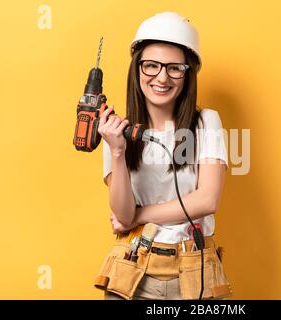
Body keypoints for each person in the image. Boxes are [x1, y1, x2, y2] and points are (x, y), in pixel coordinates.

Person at [93, 12, 232, 300]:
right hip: (133, 271)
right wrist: (117, 151)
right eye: (151, 66)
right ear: (137, 69)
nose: (162, 77)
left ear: (188, 73)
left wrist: (137, 217)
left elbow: (207, 200)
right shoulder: (117, 131)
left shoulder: (206, 122)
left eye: (174, 68)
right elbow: (121, 212)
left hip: (195, 273)